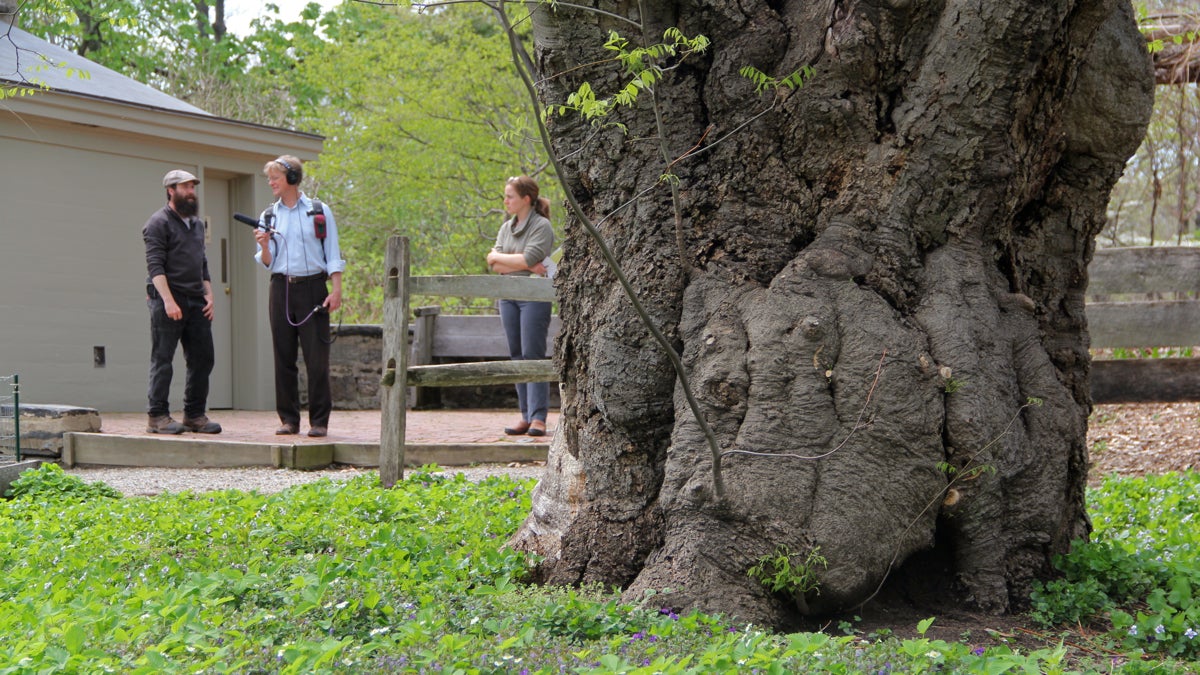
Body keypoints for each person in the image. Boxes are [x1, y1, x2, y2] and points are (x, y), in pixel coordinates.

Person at [253, 156, 345, 438]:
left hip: (313, 288)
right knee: (283, 356)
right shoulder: (269, 215)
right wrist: (265, 245)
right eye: (270, 178)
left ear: (291, 179)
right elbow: (267, 261)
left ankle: (319, 421)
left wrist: (337, 290)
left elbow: (332, 253)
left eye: (275, 178)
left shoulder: (319, 211)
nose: (271, 183)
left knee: (317, 358)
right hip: (281, 288)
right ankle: (288, 420)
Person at [142, 169, 222, 434]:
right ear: (170, 190)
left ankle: (194, 415)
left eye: (192, 187)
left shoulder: (197, 224)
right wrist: (168, 300)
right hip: (167, 300)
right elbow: (155, 267)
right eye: (185, 187)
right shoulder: (158, 222)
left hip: (196, 301)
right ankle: (157, 416)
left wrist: (209, 295)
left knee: (203, 358)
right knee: (163, 358)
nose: (191, 192)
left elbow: (202, 264)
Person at [486, 175, 554, 437]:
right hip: (508, 296)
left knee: (533, 354)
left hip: (533, 298)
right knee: (516, 353)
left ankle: (539, 418)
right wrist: (523, 264)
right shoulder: (507, 227)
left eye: (510, 196)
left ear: (526, 199)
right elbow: (495, 264)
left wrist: (509, 259)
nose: (505, 201)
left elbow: (531, 256)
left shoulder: (541, 226)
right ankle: (524, 415)